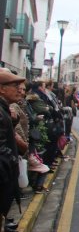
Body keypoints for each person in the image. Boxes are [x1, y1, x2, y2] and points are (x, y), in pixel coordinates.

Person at [0, 70, 26, 232]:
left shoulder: (6, 110)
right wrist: (13, 161)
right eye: (15, 86)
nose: (19, 90)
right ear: (2, 89)